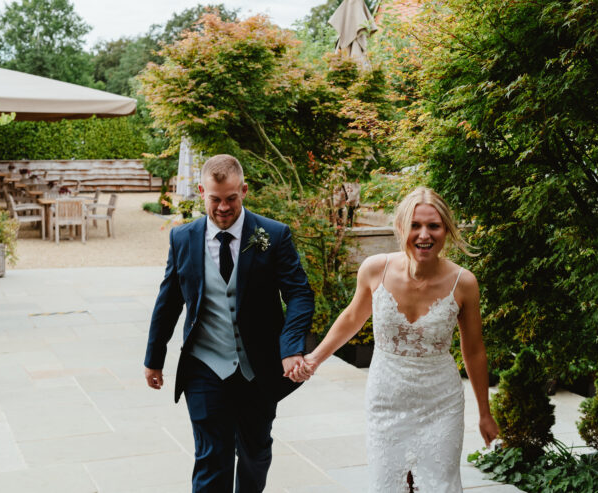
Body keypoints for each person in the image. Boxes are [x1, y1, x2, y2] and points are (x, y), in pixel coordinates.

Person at [290, 186, 499, 492]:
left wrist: (484, 413)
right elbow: (351, 318)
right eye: (415, 225)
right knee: (386, 486)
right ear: (401, 228)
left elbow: (475, 350)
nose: (424, 234)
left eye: (433, 226)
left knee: (440, 486)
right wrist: (314, 359)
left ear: (446, 230)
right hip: (386, 399)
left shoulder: (463, 283)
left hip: (441, 403)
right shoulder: (376, 269)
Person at [144, 154, 315, 493]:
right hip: (204, 365)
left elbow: (300, 294)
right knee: (212, 456)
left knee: (255, 452)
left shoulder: (273, 235)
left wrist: (291, 347)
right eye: (215, 199)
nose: (223, 207)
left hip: (258, 367)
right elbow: (169, 301)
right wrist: (154, 358)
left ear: (244, 191)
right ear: (201, 192)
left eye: (231, 199)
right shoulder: (183, 239)